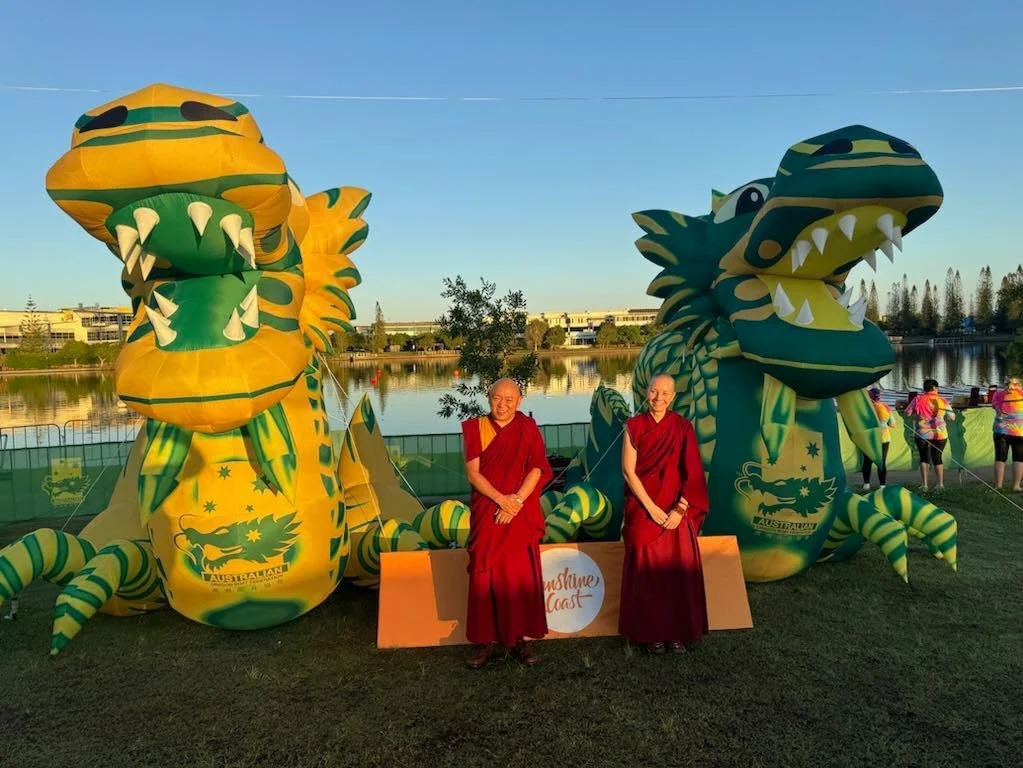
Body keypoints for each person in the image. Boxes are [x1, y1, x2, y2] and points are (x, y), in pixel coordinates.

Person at [461, 378, 553, 669]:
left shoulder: (527, 427)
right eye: (496, 398)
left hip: (519, 510)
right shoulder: (476, 427)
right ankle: (485, 641)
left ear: (519, 401)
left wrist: (517, 502)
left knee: (519, 575)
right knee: (484, 574)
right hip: (489, 509)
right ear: (489, 398)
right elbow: (473, 473)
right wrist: (502, 500)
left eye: (509, 400)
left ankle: (520, 639)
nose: (502, 405)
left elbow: (537, 467)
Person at [619, 374, 709, 654]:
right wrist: (651, 508)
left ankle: (677, 633)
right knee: (646, 575)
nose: (658, 398)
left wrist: (680, 509)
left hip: (675, 512)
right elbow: (628, 472)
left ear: (673, 397)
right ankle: (651, 634)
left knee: (677, 574)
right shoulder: (633, 426)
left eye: (665, 393)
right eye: (654, 391)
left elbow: (693, 473)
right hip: (644, 509)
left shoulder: (683, 427)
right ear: (646, 392)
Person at [903, 378, 956, 491]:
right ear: (935, 388)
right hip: (940, 434)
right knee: (937, 458)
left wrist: (917, 415)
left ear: (925, 389)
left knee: (924, 458)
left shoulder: (917, 399)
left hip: (922, 434)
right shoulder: (942, 400)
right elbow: (952, 417)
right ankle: (940, 484)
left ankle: (925, 485)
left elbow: (907, 413)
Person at [991, 375, 1023, 491]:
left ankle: (998, 486)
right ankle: (1016, 486)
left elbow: (996, 407)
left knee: (1000, 458)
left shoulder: (998, 394)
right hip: (1018, 431)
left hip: (1001, 430)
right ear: (1019, 385)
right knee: (1018, 459)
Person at [861, 387, 895, 490]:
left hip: (869, 438)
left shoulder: (865, 408)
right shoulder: (886, 407)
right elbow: (892, 424)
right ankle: (882, 486)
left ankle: (866, 484)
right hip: (884, 438)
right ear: (879, 396)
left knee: (867, 461)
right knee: (882, 462)